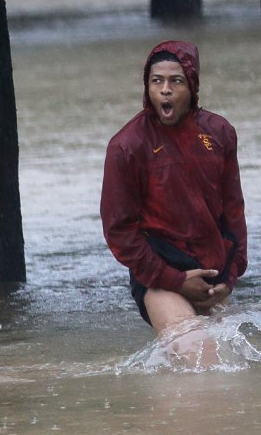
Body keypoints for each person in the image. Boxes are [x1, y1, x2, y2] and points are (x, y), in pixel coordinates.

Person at [100, 40, 247, 336]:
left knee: (228, 355)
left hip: (213, 274)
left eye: (175, 81)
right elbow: (119, 231)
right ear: (147, 86)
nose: (165, 90)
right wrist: (174, 280)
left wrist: (230, 277)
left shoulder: (220, 133)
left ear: (192, 85)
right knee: (195, 349)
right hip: (159, 273)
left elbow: (233, 212)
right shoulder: (126, 146)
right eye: (157, 81)